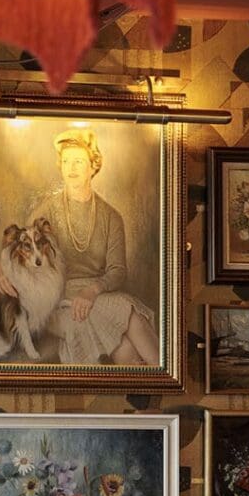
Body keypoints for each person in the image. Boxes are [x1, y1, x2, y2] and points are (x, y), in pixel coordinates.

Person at [25, 127, 158, 366]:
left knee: (125, 341)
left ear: (93, 166)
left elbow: (117, 271)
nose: (71, 168)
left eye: (78, 161)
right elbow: (22, 252)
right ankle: (162, 377)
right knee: (128, 312)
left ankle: (159, 378)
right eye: (66, 161)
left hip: (96, 297)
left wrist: (92, 291)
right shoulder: (45, 211)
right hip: (56, 302)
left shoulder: (111, 216)